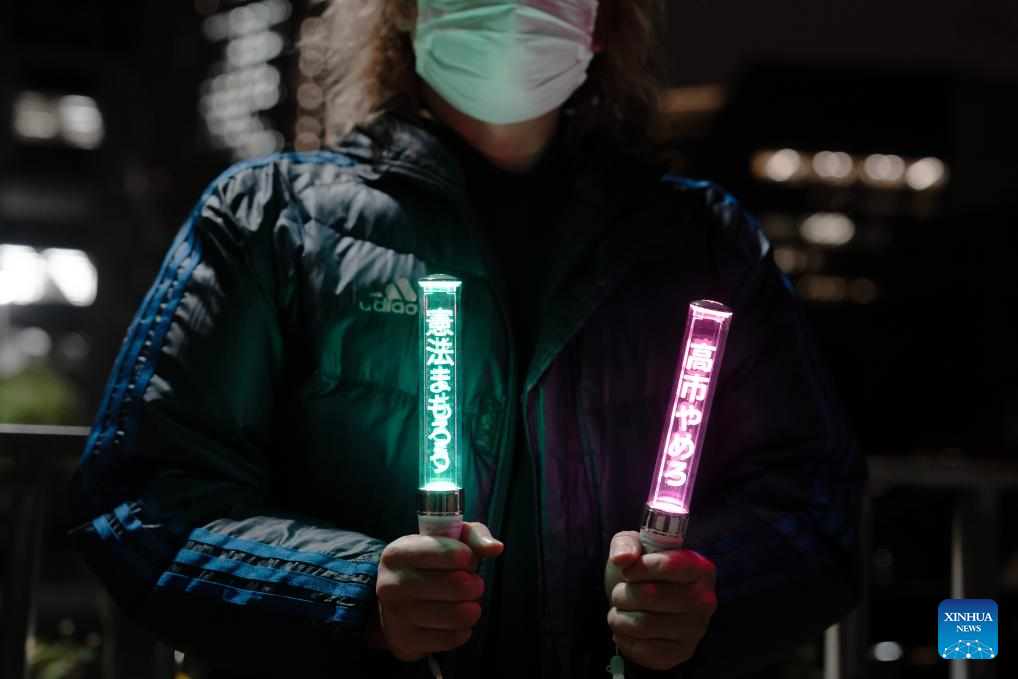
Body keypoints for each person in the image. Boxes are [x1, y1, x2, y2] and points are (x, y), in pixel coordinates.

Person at [66, 0, 864, 677]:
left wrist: (708, 586)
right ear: (405, 14)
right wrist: (351, 590)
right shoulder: (268, 223)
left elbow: (818, 504)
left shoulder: (707, 244)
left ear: (602, 22)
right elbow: (140, 500)